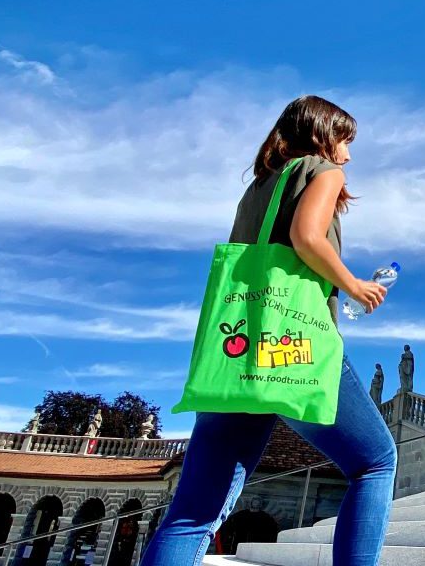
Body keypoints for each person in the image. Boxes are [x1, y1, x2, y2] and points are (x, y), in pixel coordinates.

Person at [142, 96, 395, 566]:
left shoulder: (258, 187)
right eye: (346, 140)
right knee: (374, 462)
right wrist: (354, 286)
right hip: (290, 345)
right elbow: (307, 238)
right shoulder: (323, 171)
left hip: (236, 349)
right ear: (324, 134)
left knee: (193, 512)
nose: (349, 155)